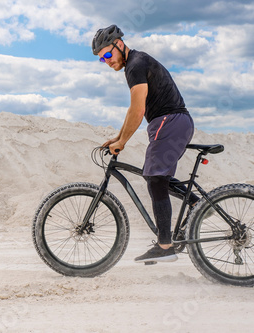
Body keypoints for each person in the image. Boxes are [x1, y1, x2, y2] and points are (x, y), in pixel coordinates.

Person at [92, 24, 200, 263]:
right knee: (157, 176)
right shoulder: (134, 65)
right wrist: (118, 137)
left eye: (108, 55)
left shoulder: (136, 64)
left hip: (169, 121)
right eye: (102, 60)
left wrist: (123, 142)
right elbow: (133, 108)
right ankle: (197, 204)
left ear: (119, 44)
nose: (107, 61)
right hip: (173, 123)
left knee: (154, 176)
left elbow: (139, 110)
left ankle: (165, 246)